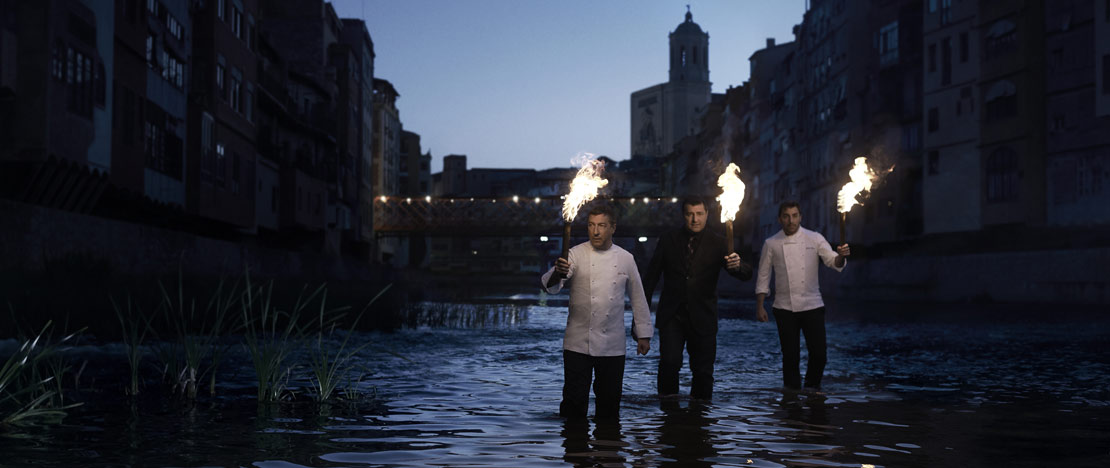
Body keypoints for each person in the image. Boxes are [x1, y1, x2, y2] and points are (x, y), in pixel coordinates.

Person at [542, 203, 653, 419]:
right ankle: (574, 448)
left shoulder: (625, 258)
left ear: (613, 228)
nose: (595, 231)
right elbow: (550, 285)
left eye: (601, 225)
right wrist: (559, 271)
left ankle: (607, 450)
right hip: (577, 343)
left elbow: (638, 297)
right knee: (574, 405)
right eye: (591, 225)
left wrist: (644, 334)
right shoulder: (575, 254)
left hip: (613, 345)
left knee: (609, 407)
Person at [642, 196, 752, 400]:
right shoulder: (668, 239)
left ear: (707, 215)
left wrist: (738, 266)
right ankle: (668, 416)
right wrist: (640, 323)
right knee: (669, 364)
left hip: (703, 316)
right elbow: (650, 280)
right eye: (690, 214)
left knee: (703, 371)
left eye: (699, 214)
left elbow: (744, 274)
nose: (695, 219)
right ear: (683, 215)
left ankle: (700, 420)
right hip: (672, 316)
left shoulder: (719, 242)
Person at [755, 201, 850, 392]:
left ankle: (811, 388)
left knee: (819, 355)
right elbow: (764, 275)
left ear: (801, 217)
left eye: (795, 215)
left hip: (813, 304)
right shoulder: (771, 243)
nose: (791, 220)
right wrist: (760, 306)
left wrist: (841, 256)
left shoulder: (814, 238)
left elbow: (833, 261)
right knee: (790, 356)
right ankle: (791, 395)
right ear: (780, 219)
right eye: (786, 216)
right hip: (783, 307)